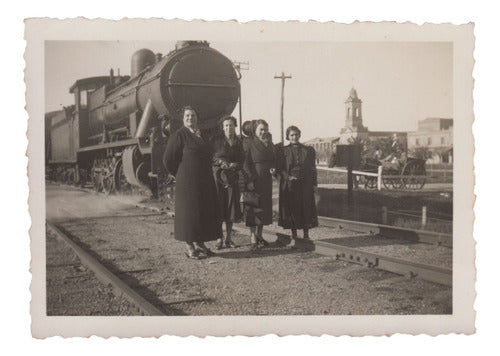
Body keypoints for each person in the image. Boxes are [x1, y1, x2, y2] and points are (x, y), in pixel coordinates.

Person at [164, 106, 222, 259]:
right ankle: (190, 247)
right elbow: (168, 159)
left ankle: (201, 244)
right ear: (183, 119)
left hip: (204, 180)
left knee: (202, 212)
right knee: (189, 214)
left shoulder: (201, 134)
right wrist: (179, 173)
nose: (190, 118)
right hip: (187, 182)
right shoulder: (179, 135)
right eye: (188, 116)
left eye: (193, 116)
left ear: (197, 118)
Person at [277, 126, 318, 246]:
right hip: (290, 184)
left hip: (305, 184)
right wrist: (287, 177)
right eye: (291, 135)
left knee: (306, 207)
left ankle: (306, 234)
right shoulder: (283, 151)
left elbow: (312, 169)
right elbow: (280, 168)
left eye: (296, 135)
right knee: (292, 209)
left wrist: (314, 184)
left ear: (299, 135)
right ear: (288, 137)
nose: (294, 137)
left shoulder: (308, 150)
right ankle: (294, 235)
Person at [211, 115, 244, 249]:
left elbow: (242, 161)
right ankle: (219, 238)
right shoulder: (216, 141)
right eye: (226, 126)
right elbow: (211, 157)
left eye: (231, 125)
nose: (228, 128)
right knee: (219, 207)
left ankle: (229, 238)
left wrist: (234, 165)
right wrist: (220, 162)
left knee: (231, 208)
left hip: (232, 178)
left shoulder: (239, 142)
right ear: (222, 127)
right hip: (218, 178)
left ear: (234, 127)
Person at [243, 119, 276, 249]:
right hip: (254, 180)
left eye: (265, 129)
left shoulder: (270, 144)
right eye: (261, 129)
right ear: (255, 131)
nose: (263, 132)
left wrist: (273, 168)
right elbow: (245, 164)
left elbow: (273, 160)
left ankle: (260, 235)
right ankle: (252, 237)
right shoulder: (250, 144)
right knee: (253, 208)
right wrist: (249, 180)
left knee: (263, 208)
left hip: (266, 180)